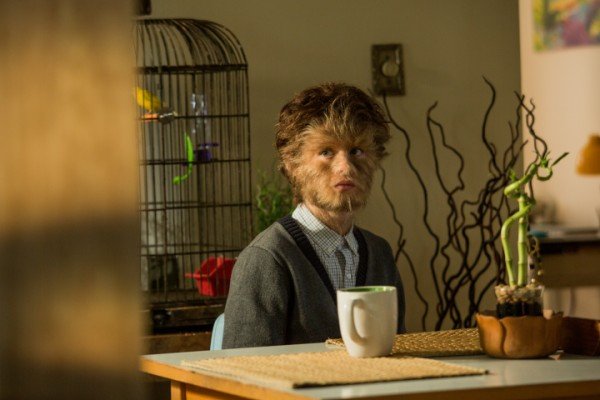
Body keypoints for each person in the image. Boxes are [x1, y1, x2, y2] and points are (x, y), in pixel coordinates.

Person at [222, 82, 406, 348]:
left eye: (356, 151)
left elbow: (398, 354)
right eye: (326, 152)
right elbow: (241, 368)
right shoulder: (267, 258)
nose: (345, 167)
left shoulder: (380, 254)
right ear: (293, 165)